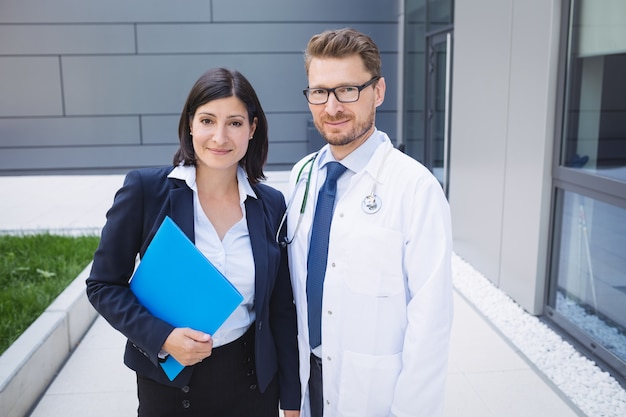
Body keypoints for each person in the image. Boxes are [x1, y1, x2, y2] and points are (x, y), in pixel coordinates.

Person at [86, 67, 300, 417]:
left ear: (252, 128)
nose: (219, 136)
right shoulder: (146, 191)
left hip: (252, 387)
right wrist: (162, 337)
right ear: (189, 124)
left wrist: (291, 401)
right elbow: (103, 285)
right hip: (171, 389)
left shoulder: (271, 204)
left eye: (234, 122)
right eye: (207, 120)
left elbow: (280, 310)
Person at [283, 28, 453, 417]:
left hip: (376, 391)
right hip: (309, 377)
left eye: (348, 90)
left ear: (378, 92)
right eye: (320, 92)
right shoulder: (303, 175)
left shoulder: (416, 188)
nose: (332, 107)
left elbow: (431, 324)